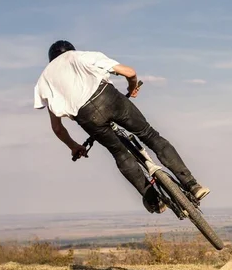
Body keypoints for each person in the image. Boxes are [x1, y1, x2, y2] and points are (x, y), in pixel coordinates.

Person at [33, 40, 210, 214]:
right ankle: (192, 185)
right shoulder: (82, 56)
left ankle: (154, 201)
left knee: (120, 154)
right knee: (150, 136)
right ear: (70, 49)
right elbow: (130, 72)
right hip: (109, 98)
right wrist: (132, 87)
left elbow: (57, 128)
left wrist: (74, 146)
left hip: (86, 116)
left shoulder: (44, 80)